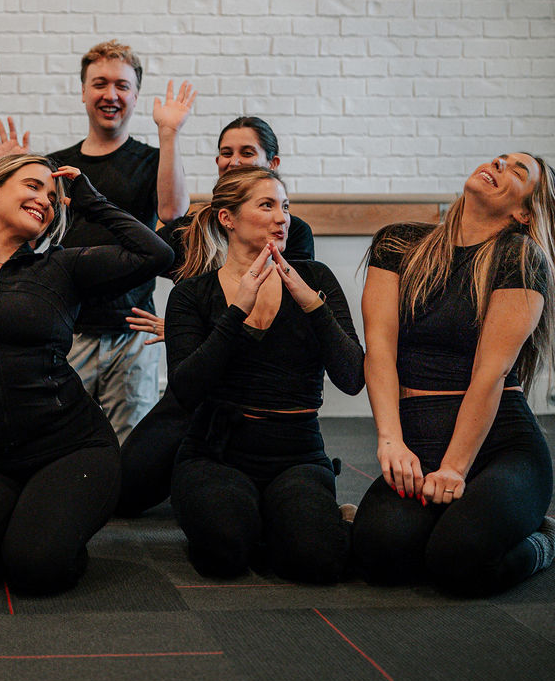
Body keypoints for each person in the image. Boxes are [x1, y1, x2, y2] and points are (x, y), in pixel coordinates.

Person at [0, 54, 175, 595]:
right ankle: (19, 516)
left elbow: (157, 254)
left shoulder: (62, 267)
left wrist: (92, 202)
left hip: (73, 449)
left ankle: (44, 524)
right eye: (30, 185)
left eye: (51, 197)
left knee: (35, 569)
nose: (44, 199)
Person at [352, 152, 555, 597]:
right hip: (420, 441)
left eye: (516, 171)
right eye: (500, 159)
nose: (499, 164)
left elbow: (490, 373)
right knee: (377, 557)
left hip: (498, 446)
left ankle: (544, 539)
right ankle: (466, 519)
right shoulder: (398, 243)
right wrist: (391, 439)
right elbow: (380, 350)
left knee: (458, 563)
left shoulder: (520, 256)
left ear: (523, 212)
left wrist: (454, 468)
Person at [0, 38, 194, 441]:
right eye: (99, 83)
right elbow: (31, 237)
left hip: (133, 329)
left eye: (122, 85)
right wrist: (10, 178)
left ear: (135, 95)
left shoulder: (153, 159)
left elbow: (172, 212)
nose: (110, 94)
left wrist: (169, 134)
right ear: (83, 92)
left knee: (128, 445)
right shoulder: (58, 165)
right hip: (68, 327)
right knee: (60, 438)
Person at [162, 166, 364, 582]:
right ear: (228, 218)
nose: (282, 218)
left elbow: (352, 377)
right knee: (224, 553)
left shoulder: (316, 279)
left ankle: (294, 520)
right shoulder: (192, 294)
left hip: (297, 453)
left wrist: (312, 305)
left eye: (286, 207)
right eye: (267, 205)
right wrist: (236, 313)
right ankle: (251, 520)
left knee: (318, 562)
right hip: (216, 454)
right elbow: (185, 391)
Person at [118, 114, 315, 515]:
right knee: (123, 492)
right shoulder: (197, 228)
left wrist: (187, 331)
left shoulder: (290, 231)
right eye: (226, 152)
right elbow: (160, 233)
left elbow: (283, 326)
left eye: (247, 152)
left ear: (272, 164)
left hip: (253, 392)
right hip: (198, 381)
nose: (234, 160)